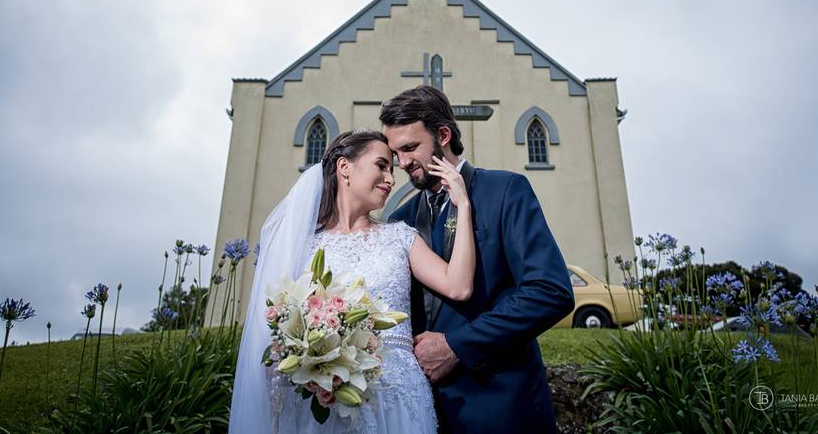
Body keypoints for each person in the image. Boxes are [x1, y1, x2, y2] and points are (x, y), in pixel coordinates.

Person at [229, 129, 475, 434]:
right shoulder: (302, 247)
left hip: (396, 396)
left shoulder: (400, 237)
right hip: (325, 396)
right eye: (382, 165)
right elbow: (275, 330)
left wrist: (462, 204)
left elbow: (459, 286)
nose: (391, 178)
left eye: (391, 169)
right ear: (344, 167)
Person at [381, 85, 575, 433]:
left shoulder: (505, 191)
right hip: (424, 410)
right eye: (396, 154)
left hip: (502, 405)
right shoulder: (401, 220)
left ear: (443, 135)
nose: (403, 163)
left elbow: (549, 291)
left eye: (410, 148)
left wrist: (457, 345)